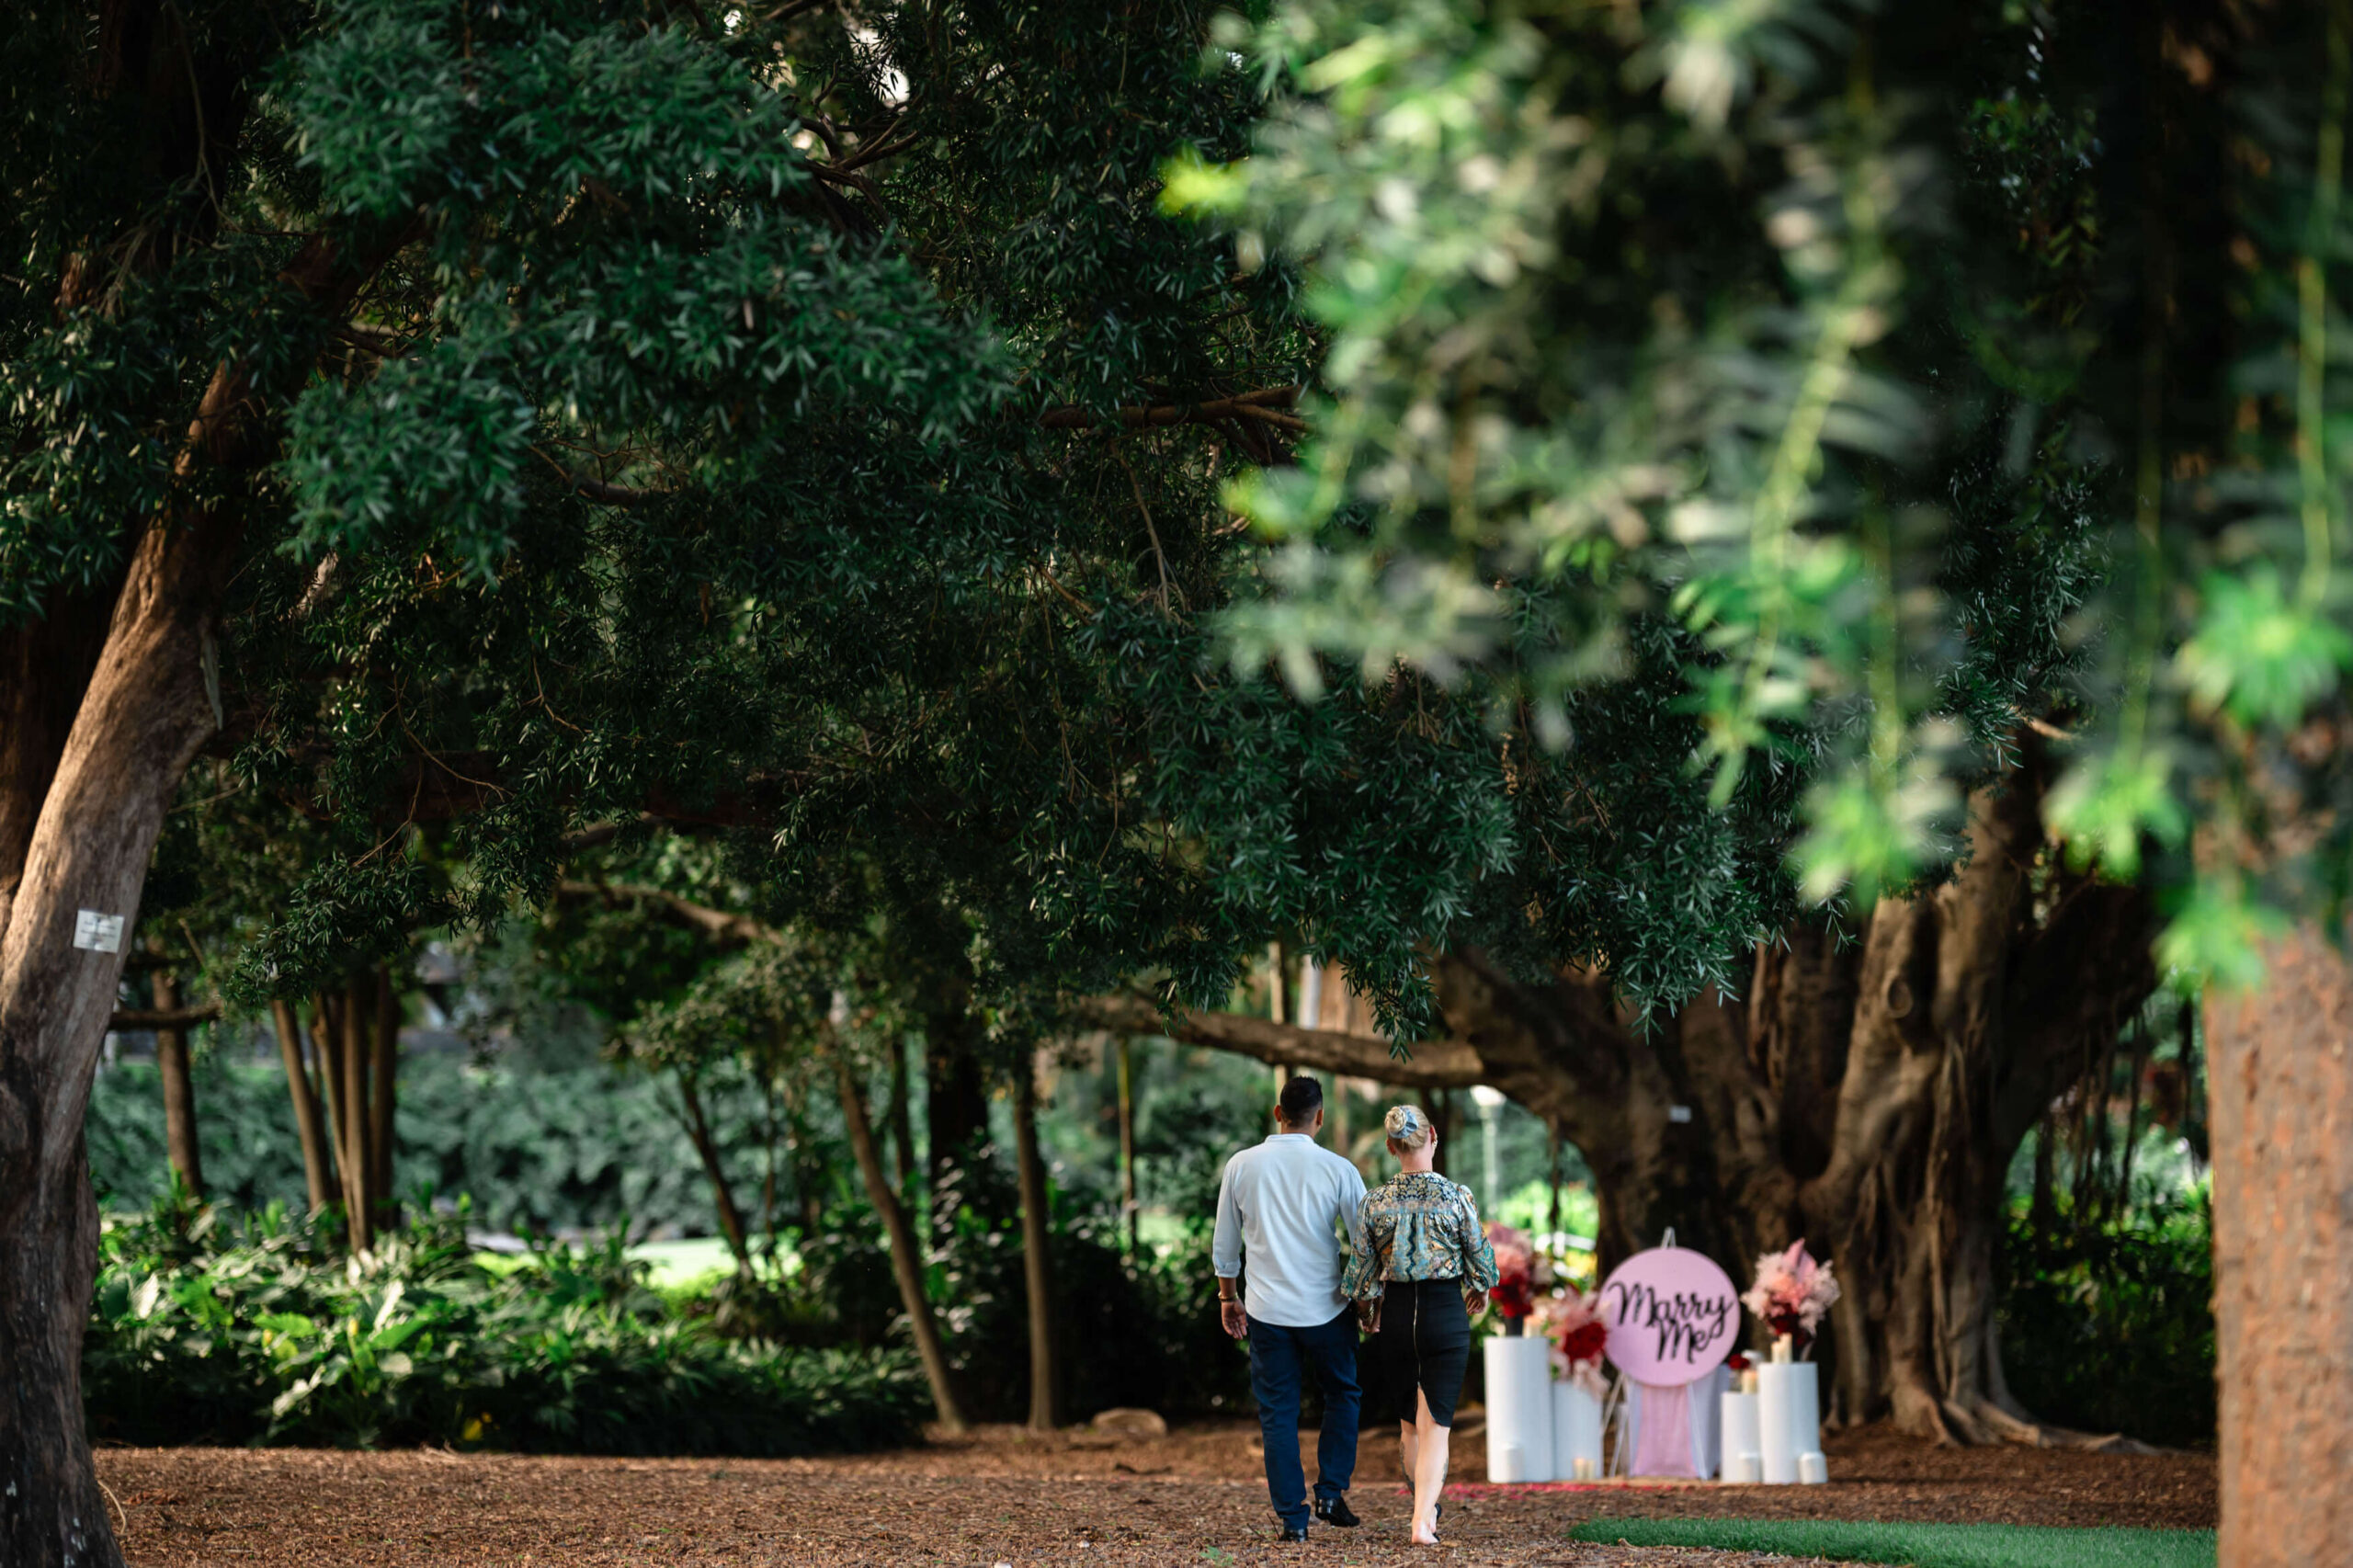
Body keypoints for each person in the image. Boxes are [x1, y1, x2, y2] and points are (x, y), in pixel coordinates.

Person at [1212, 1074, 1370, 1543]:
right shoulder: (1339, 1169)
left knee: (1278, 1413)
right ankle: (1330, 1491)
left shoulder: (1241, 1165)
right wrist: (1366, 1302)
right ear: (1319, 1117)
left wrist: (1228, 1297)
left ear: (1278, 1114)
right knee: (1343, 1395)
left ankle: (1293, 1520)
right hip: (1328, 1307)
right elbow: (1365, 1244)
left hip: (1266, 1312)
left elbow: (1225, 1244)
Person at [1342, 1105, 1498, 1546]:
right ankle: (1421, 1521)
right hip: (1444, 1313)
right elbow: (1483, 1263)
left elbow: (1360, 1275)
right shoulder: (1456, 1197)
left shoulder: (1374, 1202)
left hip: (1394, 1317)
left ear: (1391, 1147)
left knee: (1410, 1424)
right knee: (1437, 1427)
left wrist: (1368, 1314)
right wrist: (1480, 1287)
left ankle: (1421, 1511)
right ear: (1433, 1138)